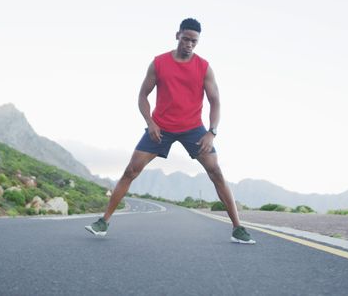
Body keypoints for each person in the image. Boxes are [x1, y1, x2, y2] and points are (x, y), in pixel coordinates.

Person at [86, 18, 255, 244]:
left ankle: (237, 228)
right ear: (177, 36)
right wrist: (150, 123)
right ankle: (103, 222)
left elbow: (215, 101)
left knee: (216, 172)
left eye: (194, 41)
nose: (189, 44)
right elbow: (142, 96)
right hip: (160, 128)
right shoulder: (159, 63)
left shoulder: (204, 67)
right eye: (185, 39)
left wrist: (211, 132)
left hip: (193, 129)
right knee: (130, 171)